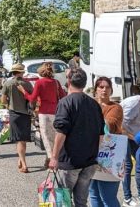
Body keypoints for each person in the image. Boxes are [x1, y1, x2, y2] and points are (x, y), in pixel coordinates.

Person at [49, 68, 105, 207]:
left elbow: (61, 132)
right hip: (89, 161)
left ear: (68, 81)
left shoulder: (65, 102)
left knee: (64, 201)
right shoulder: (94, 104)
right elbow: (101, 134)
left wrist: (54, 157)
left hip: (70, 161)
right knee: (81, 201)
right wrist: (96, 155)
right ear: (85, 84)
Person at [19, 62, 66, 168]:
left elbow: (32, 98)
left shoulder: (39, 83)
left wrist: (23, 92)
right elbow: (63, 96)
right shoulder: (56, 82)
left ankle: (50, 159)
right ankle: (55, 157)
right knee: (55, 136)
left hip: (43, 112)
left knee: (45, 137)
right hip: (55, 112)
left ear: (41, 72)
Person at [88, 76, 124, 207]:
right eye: (101, 87)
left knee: (108, 197)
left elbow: (111, 123)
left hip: (110, 155)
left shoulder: (115, 107)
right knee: (94, 194)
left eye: (107, 87)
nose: (104, 90)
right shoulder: (89, 104)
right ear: (95, 89)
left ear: (111, 90)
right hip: (91, 153)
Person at [2, 63, 33, 172]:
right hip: (26, 114)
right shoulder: (28, 84)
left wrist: (9, 103)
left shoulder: (8, 83)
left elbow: (3, 101)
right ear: (21, 72)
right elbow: (32, 99)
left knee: (18, 140)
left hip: (14, 113)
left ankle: (24, 164)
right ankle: (21, 159)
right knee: (22, 139)